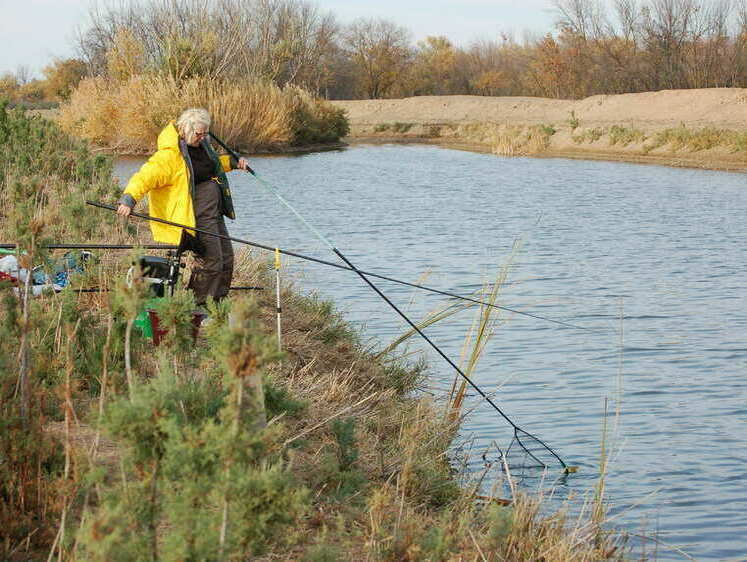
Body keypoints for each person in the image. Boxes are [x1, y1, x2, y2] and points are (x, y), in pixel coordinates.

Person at [117, 108, 251, 306]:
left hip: (213, 213)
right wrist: (129, 199)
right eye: (199, 133)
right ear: (185, 129)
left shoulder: (202, 146)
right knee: (210, 261)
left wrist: (232, 162)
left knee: (227, 258)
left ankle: (217, 305)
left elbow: (210, 166)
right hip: (195, 216)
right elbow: (144, 177)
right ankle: (197, 306)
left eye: (206, 133)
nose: (203, 137)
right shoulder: (169, 156)